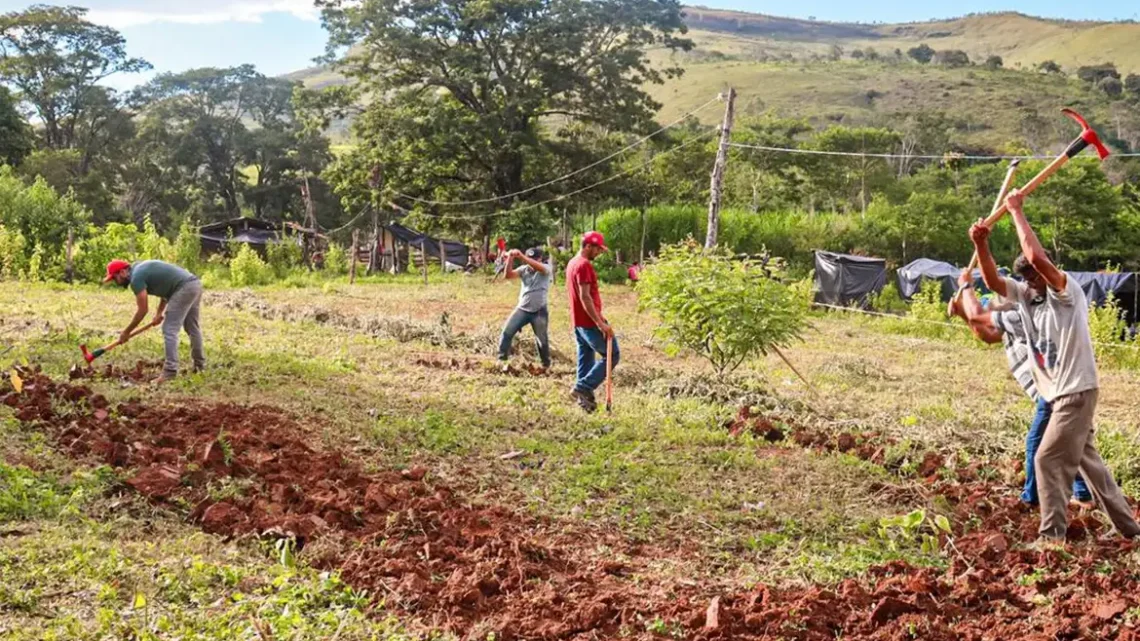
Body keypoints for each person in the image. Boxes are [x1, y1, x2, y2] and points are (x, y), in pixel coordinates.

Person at [970, 189, 1140, 541]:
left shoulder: (1065, 292)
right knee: (1089, 464)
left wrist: (1016, 212)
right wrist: (981, 245)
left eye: (1037, 276)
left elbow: (1036, 255)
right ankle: (1130, 531)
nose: (1034, 283)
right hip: (1058, 393)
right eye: (1028, 279)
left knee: (1046, 459)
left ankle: (1051, 540)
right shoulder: (1026, 296)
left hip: (1075, 390)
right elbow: (990, 281)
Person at [949, 269, 1093, 507]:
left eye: (992, 303)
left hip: (1055, 388)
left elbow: (980, 319)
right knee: (1070, 440)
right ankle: (1084, 495)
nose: (991, 307)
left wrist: (966, 288)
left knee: (1036, 443)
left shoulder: (1018, 312)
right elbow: (987, 335)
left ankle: (1033, 498)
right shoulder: (1008, 318)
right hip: (1057, 386)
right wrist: (965, 314)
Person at [104, 259, 205, 382]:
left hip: (184, 287)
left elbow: (142, 310)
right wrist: (158, 313)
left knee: (169, 329)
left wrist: (126, 332)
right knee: (192, 328)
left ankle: (170, 372)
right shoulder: (139, 268)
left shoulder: (136, 279)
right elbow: (167, 288)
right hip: (194, 284)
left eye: (115, 278)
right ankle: (199, 367)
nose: (116, 282)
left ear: (123, 272)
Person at [566, 231, 618, 413]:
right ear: (588, 246)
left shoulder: (572, 262)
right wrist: (600, 323)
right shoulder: (583, 265)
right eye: (597, 249)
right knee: (612, 355)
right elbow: (585, 297)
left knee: (586, 358)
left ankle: (585, 403)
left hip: (578, 321)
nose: (599, 253)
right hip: (588, 322)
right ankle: (583, 387)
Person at [498, 247, 553, 372]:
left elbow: (538, 267)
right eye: (530, 258)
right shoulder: (524, 270)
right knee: (507, 332)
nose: (531, 262)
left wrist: (522, 257)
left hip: (539, 311)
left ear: (540, 259)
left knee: (541, 340)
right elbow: (508, 275)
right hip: (522, 309)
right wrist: (510, 259)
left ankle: (545, 365)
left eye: (535, 259)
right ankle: (501, 360)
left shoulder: (545, 269)